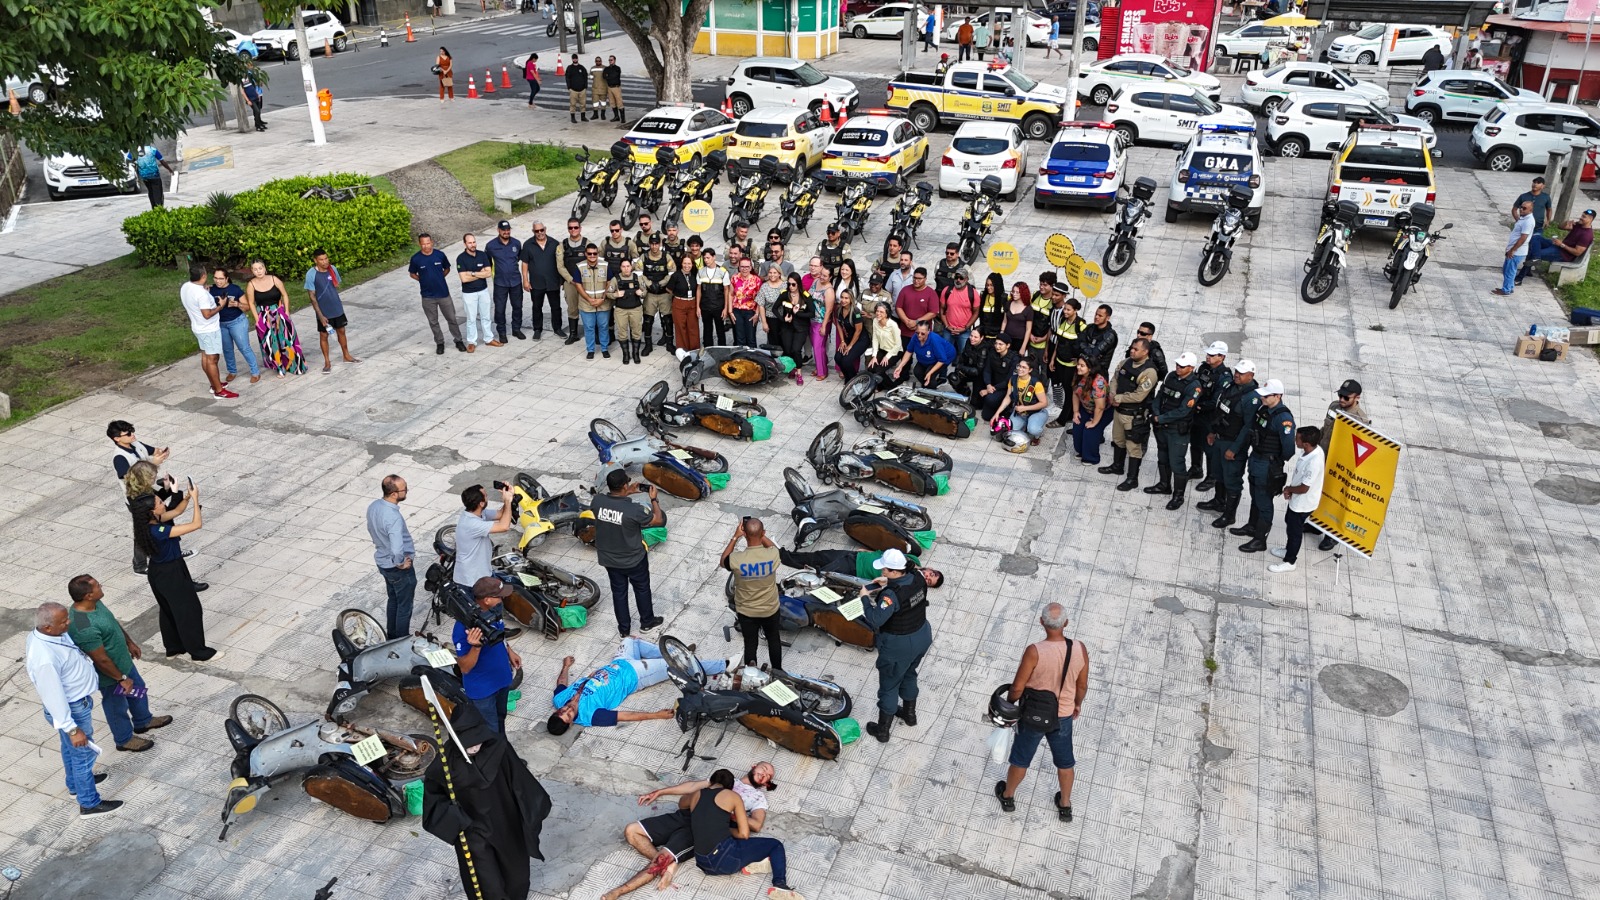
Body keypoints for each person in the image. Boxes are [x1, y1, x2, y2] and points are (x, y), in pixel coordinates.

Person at [421, 701, 552, 900]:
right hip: (473, 831)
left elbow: (520, 781)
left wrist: (531, 811)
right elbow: (434, 801)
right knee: (487, 886)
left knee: (517, 878)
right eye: (468, 743)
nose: (474, 747)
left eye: (477, 741)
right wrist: (451, 814)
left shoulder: (498, 747)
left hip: (507, 824)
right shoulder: (445, 764)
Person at [608, 764, 779, 899]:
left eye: (769, 776)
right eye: (764, 769)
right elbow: (691, 788)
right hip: (685, 815)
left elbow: (756, 825)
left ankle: (620, 891)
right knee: (631, 831)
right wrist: (660, 791)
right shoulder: (723, 778)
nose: (765, 775)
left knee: (661, 859)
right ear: (754, 766)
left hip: (705, 826)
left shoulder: (757, 798)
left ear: (766, 784)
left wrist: (733, 814)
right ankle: (669, 866)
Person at [995, 602, 1089, 821]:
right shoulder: (1079, 648)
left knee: (1021, 758)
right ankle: (1065, 804)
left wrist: (1011, 703)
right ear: (1065, 623)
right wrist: (1077, 703)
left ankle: (1008, 796)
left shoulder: (1034, 651)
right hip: (1063, 715)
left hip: (1033, 715)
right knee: (1065, 761)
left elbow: (1017, 687)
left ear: (1041, 622)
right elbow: (1082, 685)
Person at [27, 603, 122, 817]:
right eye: (64, 622)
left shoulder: (51, 635)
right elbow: (53, 695)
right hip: (72, 709)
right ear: (48, 628)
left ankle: (75, 784)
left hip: (75, 705)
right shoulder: (45, 658)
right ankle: (89, 803)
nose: (69, 623)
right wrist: (72, 729)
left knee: (70, 750)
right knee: (83, 755)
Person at [67, 575, 173, 752]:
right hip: (110, 675)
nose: (101, 585)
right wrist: (121, 678)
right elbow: (99, 659)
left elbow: (111, 622)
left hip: (123, 664)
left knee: (138, 689)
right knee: (116, 705)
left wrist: (129, 642)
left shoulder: (96, 604)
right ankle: (124, 739)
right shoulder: (82, 625)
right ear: (88, 596)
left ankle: (143, 720)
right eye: (97, 586)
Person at [127, 462, 220, 662]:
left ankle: (174, 648)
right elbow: (196, 524)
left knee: (169, 609)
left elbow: (176, 512)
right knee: (189, 610)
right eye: (159, 502)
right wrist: (196, 501)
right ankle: (199, 652)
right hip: (171, 572)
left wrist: (186, 497)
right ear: (152, 511)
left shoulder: (150, 523)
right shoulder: (158, 530)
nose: (162, 502)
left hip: (159, 572)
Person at [547, 638, 726, 734]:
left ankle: (676, 652)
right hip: (636, 675)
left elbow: (561, 683)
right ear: (571, 723)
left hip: (619, 663)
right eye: (568, 715)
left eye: (561, 711)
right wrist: (656, 715)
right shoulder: (591, 715)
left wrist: (566, 666)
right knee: (674, 667)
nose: (567, 709)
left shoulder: (559, 699)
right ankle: (723, 665)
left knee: (631, 641)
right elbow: (625, 716)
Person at [686, 770, 806, 900]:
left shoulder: (696, 795)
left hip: (703, 863)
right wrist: (727, 829)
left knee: (727, 838)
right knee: (775, 845)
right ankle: (780, 884)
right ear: (731, 787)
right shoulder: (732, 796)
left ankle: (756, 863)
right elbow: (744, 834)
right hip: (724, 862)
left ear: (712, 782)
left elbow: (683, 804)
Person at [855, 548, 932, 744]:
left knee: (889, 686)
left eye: (885, 570)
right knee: (909, 673)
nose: (882, 573)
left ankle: (882, 731)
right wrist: (888, 584)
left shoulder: (891, 595)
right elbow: (907, 593)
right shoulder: (918, 577)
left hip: (899, 645)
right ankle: (909, 715)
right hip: (922, 635)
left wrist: (864, 597)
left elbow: (875, 619)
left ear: (894, 571)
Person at [593, 469, 665, 637]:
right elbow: (658, 520)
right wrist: (653, 499)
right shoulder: (634, 509)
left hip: (609, 559)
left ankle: (624, 630)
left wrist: (627, 492)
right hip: (634, 559)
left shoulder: (597, 501)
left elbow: (612, 503)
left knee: (619, 593)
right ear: (625, 485)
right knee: (642, 589)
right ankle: (647, 622)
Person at [452, 578, 524, 733]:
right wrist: (476, 647)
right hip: (483, 690)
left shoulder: (495, 611)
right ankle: (496, 755)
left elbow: (499, 633)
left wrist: (509, 650)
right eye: (499, 596)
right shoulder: (462, 627)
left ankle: (504, 752)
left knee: (500, 720)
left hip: (502, 680)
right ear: (487, 600)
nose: (503, 598)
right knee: (490, 731)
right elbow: (464, 667)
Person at [1234, 380, 1296, 553]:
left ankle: (1260, 540)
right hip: (1256, 459)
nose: (1262, 398)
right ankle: (1252, 527)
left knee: (1264, 501)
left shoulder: (1283, 419)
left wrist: (1274, 460)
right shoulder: (1264, 409)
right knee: (1255, 494)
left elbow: (1289, 449)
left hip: (1268, 464)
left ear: (1278, 396)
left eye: (1266, 395)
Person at [1199, 361, 1260, 530]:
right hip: (1220, 437)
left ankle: (1229, 514)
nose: (1237, 375)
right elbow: (1221, 410)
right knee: (1218, 473)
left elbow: (1247, 427)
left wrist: (1234, 449)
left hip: (1232, 442)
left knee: (1232, 480)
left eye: (1241, 373)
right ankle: (1219, 501)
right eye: (1236, 371)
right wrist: (1212, 431)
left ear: (1251, 375)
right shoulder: (1231, 387)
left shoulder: (1252, 398)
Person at [1314, 378, 1370, 550]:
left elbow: (1359, 449)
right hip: (1323, 456)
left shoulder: (1360, 420)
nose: (1342, 399)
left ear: (1357, 397)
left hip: (1340, 466)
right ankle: (1314, 523)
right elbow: (1325, 430)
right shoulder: (1333, 407)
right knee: (1318, 492)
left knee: (1336, 499)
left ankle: (1331, 535)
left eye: (1347, 397)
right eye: (1340, 395)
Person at [721, 517, 783, 671]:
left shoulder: (736, 559)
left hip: (747, 611)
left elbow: (723, 561)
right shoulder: (773, 555)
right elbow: (775, 548)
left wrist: (735, 537)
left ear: (745, 535)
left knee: (750, 643)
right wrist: (761, 535)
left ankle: (751, 676)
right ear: (763, 533)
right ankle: (778, 671)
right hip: (770, 609)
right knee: (774, 640)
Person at [1146, 351, 1203, 509]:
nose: (1178, 367)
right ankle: (1164, 485)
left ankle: (1178, 495)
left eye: (1182, 366)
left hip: (1177, 430)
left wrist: (1161, 418)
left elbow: (1183, 411)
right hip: (1161, 427)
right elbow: (1160, 396)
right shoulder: (1171, 376)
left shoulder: (1194, 387)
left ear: (1191, 368)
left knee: (1177, 463)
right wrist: (1156, 413)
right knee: (1162, 456)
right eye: (1178, 364)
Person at [1103, 337, 1159, 490]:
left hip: (1134, 416)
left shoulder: (1149, 371)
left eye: (1136, 349)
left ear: (1145, 351)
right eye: (1132, 348)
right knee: (1118, 440)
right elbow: (1115, 378)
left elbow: (1139, 395)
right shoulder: (1126, 362)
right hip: (1119, 410)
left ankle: (1132, 479)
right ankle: (1117, 466)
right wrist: (1112, 392)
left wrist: (1119, 398)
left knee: (1134, 447)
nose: (1132, 351)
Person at [366, 475, 416, 639]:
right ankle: (401, 639)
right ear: (394, 494)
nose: (407, 491)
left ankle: (392, 635)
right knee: (404, 606)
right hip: (397, 568)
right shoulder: (392, 517)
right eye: (405, 489)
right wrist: (400, 563)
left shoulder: (374, 506)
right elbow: (396, 548)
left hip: (383, 561)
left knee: (393, 599)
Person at [1270, 426, 1325, 573]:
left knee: (1295, 532)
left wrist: (1288, 489)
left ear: (1306, 444)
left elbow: (1304, 488)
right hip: (1298, 500)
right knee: (1289, 522)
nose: (1295, 440)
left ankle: (1290, 561)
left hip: (1303, 503)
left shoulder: (1314, 462)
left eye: (1297, 439)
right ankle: (1288, 550)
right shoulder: (1313, 450)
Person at [180, 264, 234, 399]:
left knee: (205, 356)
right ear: (203, 276)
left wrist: (204, 289)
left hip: (198, 327)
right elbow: (207, 314)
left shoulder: (186, 287)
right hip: (209, 329)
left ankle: (214, 384)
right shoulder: (201, 294)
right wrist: (220, 306)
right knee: (212, 359)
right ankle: (219, 391)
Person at [245, 259, 306, 376]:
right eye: (255, 269)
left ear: (265, 268)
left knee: (287, 340)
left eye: (260, 268)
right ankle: (279, 367)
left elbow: (284, 294)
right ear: (252, 271)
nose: (258, 271)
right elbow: (251, 303)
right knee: (272, 343)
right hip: (264, 315)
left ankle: (294, 365)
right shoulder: (251, 285)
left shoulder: (274, 279)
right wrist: (257, 320)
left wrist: (287, 311)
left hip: (279, 313)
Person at [409, 233, 466, 355]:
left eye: (428, 243)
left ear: (432, 242)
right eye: (423, 244)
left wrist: (440, 277)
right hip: (427, 296)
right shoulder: (416, 259)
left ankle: (458, 340)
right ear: (420, 244)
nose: (426, 246)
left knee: (451, 318)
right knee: (433, 321)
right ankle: (440, 343)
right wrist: (422, 279)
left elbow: (447, 268)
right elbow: (412, 273)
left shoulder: (440, 255)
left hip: (443, 294)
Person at [304, 250, 359, 373]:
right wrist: (320, 316)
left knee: (342, 331)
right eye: (321, 260)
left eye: (326, 258)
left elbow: (336, 284)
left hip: (336, 307)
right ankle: (327, 362)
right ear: (315, 260)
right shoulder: (311, 274)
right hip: (323, 311)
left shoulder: (332, 269)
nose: (324, 262)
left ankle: (346, 355)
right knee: (324, 335)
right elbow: (312, 297)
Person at [454, 483, 514, 590]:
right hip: (473, 579)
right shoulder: (471, 523)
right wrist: (508, 501)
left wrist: (508, 498)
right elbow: (504, 526)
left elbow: (500, 514)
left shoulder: (477, 513)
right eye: (486, 495)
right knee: (495, 605)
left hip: (483, 572)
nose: (488, 497)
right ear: (481, 503)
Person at [1191, 342, 1233, 490]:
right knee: (1195, 442)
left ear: (1221, 357)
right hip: (1196, 413)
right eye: (1208, 354)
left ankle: (1211, 477)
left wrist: (1198, 405)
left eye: (1212, 355)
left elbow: (1216, 401)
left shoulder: (1224, 377)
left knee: (1209, 449)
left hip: (1209, 417)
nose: (1208, 357)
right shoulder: (1204, 368)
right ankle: (1196, 468)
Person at [209, 268, 260, 386]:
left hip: (237, 322)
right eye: (215, 278)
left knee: (244, 347)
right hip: (221, 324)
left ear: (227, 278)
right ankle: (232, 371)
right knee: (227, 349)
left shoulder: (235, 289)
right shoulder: (211, 290)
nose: (218, 281)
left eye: (221, 278)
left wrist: (237, 304)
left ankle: (255, 372)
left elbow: (247, 307)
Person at [1519, 208, 1595, 284]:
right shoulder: (1579, 225)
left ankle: (1519, 279)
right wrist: (1567, 223)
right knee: (1536, 237)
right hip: (1558, 246)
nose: (1581, 218)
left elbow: (1577, 252)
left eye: (1584, 217)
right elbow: (1560, 227)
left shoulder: (1586, 235)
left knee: (1534, 253)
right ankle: (1532, 264)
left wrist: (1562, 245)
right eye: (1582, 215)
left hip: (1564, 255)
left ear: (1590, 219)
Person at [1047, 298, 1088, 428]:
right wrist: (1053, 359)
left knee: (1070, 392)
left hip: (1071, 367)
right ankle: (1069, 414)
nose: (1065, 311)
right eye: (1065, 308)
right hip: (1060, 362)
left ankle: (1062, 419)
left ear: (1075, 310)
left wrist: (1079, 360)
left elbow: (1085, 345)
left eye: (1068, 309)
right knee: (1065, 388)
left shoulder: (1081, 325)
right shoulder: (1062, 321)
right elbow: (1058, 342)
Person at [486, 220, 528, 342]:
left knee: (517, 307)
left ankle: (516, 329)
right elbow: (488, 262)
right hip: (500, 283)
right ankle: (502, 332)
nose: (506, 232)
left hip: (515, 281)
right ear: (498, 230)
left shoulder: (516, 243)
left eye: (508, 230)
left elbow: (519, 258)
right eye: (503, 230)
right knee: (499, 309)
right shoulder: (491, 246)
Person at [994, 357, 1049, 448]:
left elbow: (1044, 403)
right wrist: (997, 413)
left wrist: (1025, 408)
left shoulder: (1036, 383)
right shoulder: (1013, 379)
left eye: (1024, 367)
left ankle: (1037, 435)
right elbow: (1008, 397)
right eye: (1019, 366)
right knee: (1012, 431)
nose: (1020, 369)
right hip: (1020, 413)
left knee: (1033, 430)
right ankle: (1026, 425)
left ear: (1030, 370)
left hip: (1036, 412)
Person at [456, 232, 494, 351]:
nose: (473, 245)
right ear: (465, 244)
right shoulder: (461, 258)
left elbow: (489, 273)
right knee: (471, 319)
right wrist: (480, 273)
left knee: (486, 316)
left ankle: (489, 339)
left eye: (474, 242)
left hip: (483, 291)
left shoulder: (482, 255)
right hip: (469, 293)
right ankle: (472, 341)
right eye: (470, 243)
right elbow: (464, 278)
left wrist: (472, 273)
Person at [576, 242, 613, 359]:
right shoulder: (580, 267)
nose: (592, 256)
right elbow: (578, 285)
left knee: (603, 326)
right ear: (586, 254)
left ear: (597, 254)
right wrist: (589, 299)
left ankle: (604, 348)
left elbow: (609, 283)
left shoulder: (605, 265)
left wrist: (602, 298)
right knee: (589, 327)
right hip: (586, 303)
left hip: (603, 303)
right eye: (589, 253)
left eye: (595, 253)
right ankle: (590, 350)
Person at [894, 319, 956, 388]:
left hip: (945, 356)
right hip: (927, 357)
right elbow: (909, 351)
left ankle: (931, 390)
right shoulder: (915, 337)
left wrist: (930, 373)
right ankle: (925, 386)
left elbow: (941, 360)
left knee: (929, 374)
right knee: (917, 371)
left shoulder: (934, 340)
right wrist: (900, 366)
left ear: (928, 331)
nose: (919, 335)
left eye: (922, 333)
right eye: (917, 332)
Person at [1071, 357, 1110, 466]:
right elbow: (1075, 393)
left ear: (1090, 368)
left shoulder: (1098, 382)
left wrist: (1094, 422)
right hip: (1086, 407)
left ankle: (1091, 458)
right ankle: (1081, 451)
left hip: (1103, 410)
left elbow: (1100, 407)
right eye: (1078, 364)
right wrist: (1075, 411)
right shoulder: (1078, 375)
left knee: (1090, 431)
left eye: (1082, 366)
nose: (1078, 367)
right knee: (1077, 426)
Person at [608, 258, 648, 365]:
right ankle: (626, 354)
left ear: (631, 267)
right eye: (623, 267)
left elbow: (645, 291)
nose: (626, 269)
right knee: (622, 332)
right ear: (620, 268)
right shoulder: (615, 279)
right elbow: (608, 293)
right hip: (621, 310)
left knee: (636, 332)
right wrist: (615, 295)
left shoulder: (637, 278)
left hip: (635, 309)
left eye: (628, 266)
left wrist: (642, 293)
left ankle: (635, 354)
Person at [774, 273, 812, 382]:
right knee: (788, 349)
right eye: (789, 284)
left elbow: (812, 313)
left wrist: (798, 314)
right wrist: (783, 319)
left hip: (801, 328)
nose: (791, 286)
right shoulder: (785, 294)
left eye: (793, 284)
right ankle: (792, 368)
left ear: (798, 284)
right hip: (787, 327)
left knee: (796, 350)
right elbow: (774, 309)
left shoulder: (805, 296)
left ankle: (799, 372)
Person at [638, 233, 672, 352]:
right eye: (652, 244)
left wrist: (661, 283)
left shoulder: (666, 257)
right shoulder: (644, 257)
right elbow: (638, 272)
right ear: (649, 244)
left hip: (664, 294)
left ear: (660, 244)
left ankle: (670, 343)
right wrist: (649, 284)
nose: (654, 246)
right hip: (650, 294)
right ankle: (648, 345)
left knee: (667, 319)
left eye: (656, 243)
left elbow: (672, 273)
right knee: (648, 320)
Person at [1494, 199, 1534, 296]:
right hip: (1514, 250)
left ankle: (1506, 290)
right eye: (1521, 207)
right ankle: (1510, 287)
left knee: (1509, 271)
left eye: (1524, 208)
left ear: (1530, 210)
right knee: (1507, 269)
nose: (1521, 209)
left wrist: (1513, 250)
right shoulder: (1523, 218)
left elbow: (1523, 237)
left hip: (1517, 251)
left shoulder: (1528, 221)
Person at [974, 333, 1019, 420]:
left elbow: (1009, 380)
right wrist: (988, 384)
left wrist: (990, 389)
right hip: (992, 385)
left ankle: (1006, 408)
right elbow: (987, 370)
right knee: (986, 416)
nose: (997, 346)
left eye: (1000, 344)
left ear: (1008, 345)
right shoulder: (992, 353)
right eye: (996, 343)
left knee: (990, 399)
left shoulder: (1014, 358)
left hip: (1006, 388)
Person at [560, 218, 590, 343]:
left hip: (585, 283)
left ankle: (592, 333)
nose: (573, 230)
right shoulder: (562, 245)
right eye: (570, 228)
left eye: (575, 227)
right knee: (572, 308)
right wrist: (571, 279)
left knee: (589, 307)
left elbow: (593, 260)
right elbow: (560, 266)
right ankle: (573, 334)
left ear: (580, 228)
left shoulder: (587, 243)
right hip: (570, 283)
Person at [728, 256, 765, 348]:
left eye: (747, 267)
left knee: (751, 338)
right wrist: (730, 311)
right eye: (742, 267)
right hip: (737, 310)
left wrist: (757, 314)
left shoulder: (756, 280)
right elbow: (731, 294)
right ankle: (741, 360)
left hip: (750, 311)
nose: (744, 269)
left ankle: (752, 359)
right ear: (739, 267)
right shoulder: (734, 278)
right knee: (740, 338)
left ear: (751, 267)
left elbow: (759, 298)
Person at [941, 269, 979, 356]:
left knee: (964, 354)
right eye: (956, 277)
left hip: (964, 331)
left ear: (966, 279)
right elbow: (942, 309)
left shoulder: (972, 293)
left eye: (961, 278)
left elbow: (976, 312)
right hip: (948, 330)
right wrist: (947, 325)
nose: (958, 280)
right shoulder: (946, 290)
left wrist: (966, 327)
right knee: (944, 354)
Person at [833, 286, 869, 378]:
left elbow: (858, 330)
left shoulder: (855, 312)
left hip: (860, 340)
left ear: (851, 299)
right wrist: (842, 341)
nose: (843, 300)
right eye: (842, 297)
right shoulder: (838, 309)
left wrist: (850, 346)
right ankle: (849, 377)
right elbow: (839, 326)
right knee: (837, 357)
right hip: (848, 338)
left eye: (846, 298)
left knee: (846, 360)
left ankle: (853, 378)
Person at [894, 267, 940, 339]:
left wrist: (917, 322)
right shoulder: (905, 290)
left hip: (923, 334)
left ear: (925, 279)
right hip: (905, 332)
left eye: (919, 279)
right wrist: (907, 321)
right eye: (914, 278)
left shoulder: (931, 293)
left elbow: (933, 312)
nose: (916, 281)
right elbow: (898, 307)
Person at [698, 248, 731, 347]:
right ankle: (708, 348)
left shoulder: (722, 272)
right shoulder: (701, 271)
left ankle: (722, 349)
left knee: (720, 329)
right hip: (705, 306)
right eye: (704, 258)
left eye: (708, 258)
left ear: (714, 257)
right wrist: (697, 307)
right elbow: (699, 289)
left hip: (718, 307)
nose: (706, 260)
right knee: (707, 330)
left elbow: (726, 290)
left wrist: (726, 308)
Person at [669, 252, 700, 352]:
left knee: (693, 327)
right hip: (679, 303)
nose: (687, 266)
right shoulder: (676, 276)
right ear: (681, 263)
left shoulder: (695, 274)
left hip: (692, 303)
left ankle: (694, 349)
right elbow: (669, 289)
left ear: (692, 264)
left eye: (689, 263)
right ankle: (683, 350)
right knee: (680, 328)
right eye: (685, 263)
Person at [864, 299, 903, 377]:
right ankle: (879, 386)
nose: (878, 313)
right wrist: (874, 356)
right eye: (877, 311)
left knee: (879, 371)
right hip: (882, 349)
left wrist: (887, 356)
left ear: (886, 314)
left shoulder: (893, 325)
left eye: (881, 312)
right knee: (871, 367)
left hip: (894, 351)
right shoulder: (875, 321)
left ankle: (891, 387)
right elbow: (875, 339)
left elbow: (898, 345)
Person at [131, 144, 175, 208]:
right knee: (158, 193)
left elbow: (128, 159)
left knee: (151, 191)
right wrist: (170, 169)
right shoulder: (152, 149)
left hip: (144, 177)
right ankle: (159, 208)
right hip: (155, 175)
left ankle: (153, 207)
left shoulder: (134, 151)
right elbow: (162, 161)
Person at [1079, 303, 1118, 375]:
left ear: (1107, 318)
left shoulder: (1110, 335)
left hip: (1099, 373)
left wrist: (1084, 350)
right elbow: (1078, 342)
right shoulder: (1090, 327)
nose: (1096, 317)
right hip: (1084, 369)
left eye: (1100, 316)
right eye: (1096, 314)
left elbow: (1094, 354)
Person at [1001, 282, 1033, 349]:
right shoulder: (1008, 303)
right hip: (1007, 338)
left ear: (1023, 293)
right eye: (1013, 291)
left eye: (1017, 292)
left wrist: (1023, 347)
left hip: (1019, 341)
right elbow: (1004, 321)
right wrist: (1001, 333)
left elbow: (1028, 329)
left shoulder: (1028, 309)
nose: (1014, 294)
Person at [240, 62, 267, 131]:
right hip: (250, 98)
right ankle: (257, 126)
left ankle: (258, 124)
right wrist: (247, 100)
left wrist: (257, 94)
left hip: (255, 95)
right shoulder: (241, 80)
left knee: (257, 111)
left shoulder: (250, 76)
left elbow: (253, 86)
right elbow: (242, 91)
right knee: (257, 111)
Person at [566, 53, 589, 122]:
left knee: (583, 104)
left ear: (577, 59)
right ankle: (573, 117)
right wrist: (569, 87)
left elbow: (585, 77)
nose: (575, 59)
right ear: (572, 59)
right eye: (574, 58)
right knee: (573, 104)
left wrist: (585, 86)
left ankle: (583, 117)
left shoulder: (582, 67)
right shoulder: (569, 68)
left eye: (576, 58)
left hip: (582, 89)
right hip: (573, 90)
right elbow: (567, 78)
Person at [603, 55, 625, 122]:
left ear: (614, 60)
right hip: (609, 87)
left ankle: (623, 118)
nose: (610, 61)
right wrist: (609, 76)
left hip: (616, 87)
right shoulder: (606, 69)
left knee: (619, 102)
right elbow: (604, 76)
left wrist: (608, 76)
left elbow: (614, 76)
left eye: (611, 60)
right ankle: (616, 116)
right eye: (609, 60)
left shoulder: (617, 68)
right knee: (612, 102)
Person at [591, 55, 608, 122]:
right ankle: (595, 114)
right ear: (595, 61)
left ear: (601, 61)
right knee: (595, 103)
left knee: (603, 103)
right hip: (595, 89)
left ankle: (603, 115)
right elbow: (591, 77)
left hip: (603, 88)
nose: (598, 62)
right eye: (597, 61)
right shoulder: (592, 68)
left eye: (599, 61)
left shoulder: (605, 68)